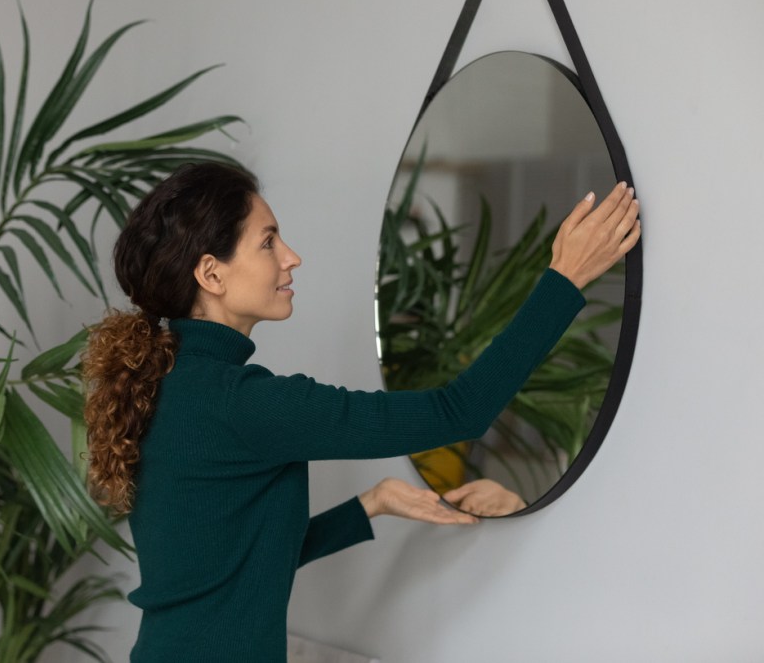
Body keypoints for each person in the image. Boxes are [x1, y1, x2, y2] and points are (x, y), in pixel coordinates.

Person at [82, 162, 640, 662]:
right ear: (212, 274)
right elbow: (459, 411)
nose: (291, 257)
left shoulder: (169, 383)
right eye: (268, 242)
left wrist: (372, 504)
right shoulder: (242, 401)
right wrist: (564, 281)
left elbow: (235, 569)